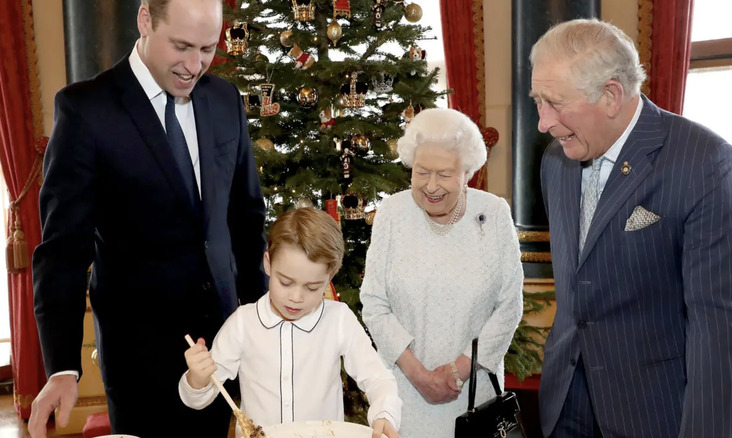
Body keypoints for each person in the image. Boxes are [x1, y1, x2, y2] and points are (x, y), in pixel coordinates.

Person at [28, 0, 267, 436]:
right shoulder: (86, 110)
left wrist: (259, 321)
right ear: (144, 20)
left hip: (224, 343)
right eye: (181, 46)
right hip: (139, 356)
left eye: (208, 49)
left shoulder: (223, 99)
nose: (194, 66)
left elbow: (247, 220)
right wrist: (62, 367)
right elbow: (63, 251)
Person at [530, 18, 732, 438]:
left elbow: (721, 325)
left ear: (611, 95)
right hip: (565, 405)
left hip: (652, 411)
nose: (543, 122)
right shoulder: (555, 161)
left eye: (555, 103)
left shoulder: (702, 162)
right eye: (537, 101)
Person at [360, 108, 525, 438]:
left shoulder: (493, 214)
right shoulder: (392, 213)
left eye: (445, 174)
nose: (431, 186)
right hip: (403, 389)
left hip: (473, 392)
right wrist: (419, 375)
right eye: (422, 172)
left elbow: (509, 306)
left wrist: (458, 369)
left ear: (467, 173)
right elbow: (374, 303)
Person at [180, 207, 401, 438]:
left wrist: (384, 413)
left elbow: (378, 377)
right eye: (285, 282)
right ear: (268, 263)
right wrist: (198, 378)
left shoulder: (339, 320)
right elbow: (198, 399)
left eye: (312, 287)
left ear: (330, 275)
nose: (296, 297)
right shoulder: (243, 323)